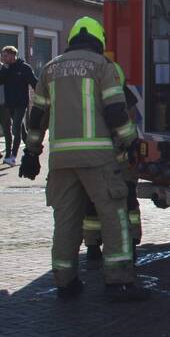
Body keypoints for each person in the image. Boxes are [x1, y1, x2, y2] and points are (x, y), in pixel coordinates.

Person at [19, 17, 148, 302]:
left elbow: (37, 116)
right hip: (98, 158)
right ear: (99, 40)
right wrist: (131, 141)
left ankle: (65, 283)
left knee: (66, 220)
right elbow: (116, 111)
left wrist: (31, 152)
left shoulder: (50, 69)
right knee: (113, 216)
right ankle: (119, 283)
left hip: (61, 161)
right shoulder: (103, 66)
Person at [82, 62, 142, 266]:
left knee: (92, 199)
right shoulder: (114, 76)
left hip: (95, 155)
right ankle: (130, 245)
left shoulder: (86, 90)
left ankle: (92, 246)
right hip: (120, 155)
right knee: (128, 200)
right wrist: (130, 142)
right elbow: (130, 115)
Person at [0, 45, 38, 166]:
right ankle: (31, 149)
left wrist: (42, 95)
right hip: (10, 104)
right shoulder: (6, 68)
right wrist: (5, 69)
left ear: (13, 55)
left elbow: (34, 82)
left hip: (21, 104)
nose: (3, 58)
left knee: (15, 128)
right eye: (2, 55)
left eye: (5, 56)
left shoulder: (24, 67)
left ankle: (13, 157)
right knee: (21, 129)